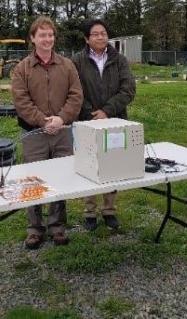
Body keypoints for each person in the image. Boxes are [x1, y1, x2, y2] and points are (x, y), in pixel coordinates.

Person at [11, 16, 83, 249]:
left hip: (62, 132)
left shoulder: (67, 65)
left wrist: (62, 118)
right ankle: (34, 229)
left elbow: (76, 95)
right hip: (34, 135)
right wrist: (43, 121)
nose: (47, 39)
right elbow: (21, 102)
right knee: (33, 181)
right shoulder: (22, 69)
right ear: (32, 38)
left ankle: (57, 227)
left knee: (61, 179)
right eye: (42, 35)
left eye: (50, 35)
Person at [71, 19, 136, 231]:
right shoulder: (77, 61)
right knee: (88, 164)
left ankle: (109, 210)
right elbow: (75, 91)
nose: (100, 37)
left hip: (115, 121)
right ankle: (89, 212)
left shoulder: (119, 60)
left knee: (113, 165)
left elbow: (128, 89)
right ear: (87, 39)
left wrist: (107, 111)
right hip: (87, 121)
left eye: (103, 33)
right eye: (95, 34)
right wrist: (92, 113)